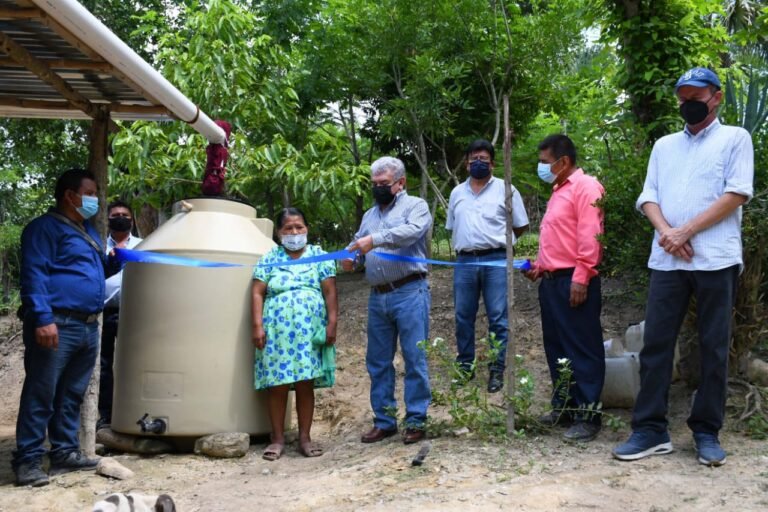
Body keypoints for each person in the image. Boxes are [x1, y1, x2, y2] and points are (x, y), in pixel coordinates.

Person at [613, 67, 754, 466]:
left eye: (697, 96)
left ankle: (707, 431)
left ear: (716, 97)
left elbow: (736, 193)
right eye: (683, 97)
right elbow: (648, 196)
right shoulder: (664, 146)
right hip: (667, 261)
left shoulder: (735, 139)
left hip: (716, 258)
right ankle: (650, 429)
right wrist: (667, 232)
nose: (688, 103)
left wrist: (686, 230)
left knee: (713, 346)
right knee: (656, 343)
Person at [13, 168, 106, 486]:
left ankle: (64, 453)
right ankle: (27, 461)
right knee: (42, 392)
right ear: (70, 195)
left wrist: (119, 260)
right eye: (90, 193)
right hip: (57, 323)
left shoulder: (89, 230)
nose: (95, 199)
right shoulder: (43, 229)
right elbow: (34, 274)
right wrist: (42, 318)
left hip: (87, 326)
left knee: (71, 394)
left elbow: (90, 271)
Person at [343, 156, 432, 445]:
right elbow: (358, 244)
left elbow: (411, 233)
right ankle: (385, 420)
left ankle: (416, 419)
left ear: (400, 183)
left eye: (385, 184)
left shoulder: (415, 206)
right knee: (378, 361)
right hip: (377, 297)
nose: (379, 188)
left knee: (414, 357)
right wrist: (350, 257)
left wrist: (375, 239)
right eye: (375, 184)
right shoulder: (369, 216)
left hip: (409, 292)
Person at [523, 135, 605, 442]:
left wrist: (582, 275)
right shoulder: (558, 191)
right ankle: (566, 406)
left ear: (564, 162)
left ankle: (589, 414)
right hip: (553, 281)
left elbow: (589, 235)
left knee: (582, 348)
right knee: (557, 348)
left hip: (575, 280)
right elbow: (562, 239)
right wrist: (540, 265)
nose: (541, 168)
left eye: (545, 162)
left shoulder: (586, 188)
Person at [252, 207, 338, 461]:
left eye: (299, 227)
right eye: (288, 228)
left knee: (304, 383)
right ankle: (277, 439)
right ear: (279, 232)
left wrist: (332, 322)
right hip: (276, 332)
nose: (294, 232)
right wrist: (257, 325)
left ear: (307, 229)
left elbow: (330, 292)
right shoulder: (269, 258)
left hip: (308, 332)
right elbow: (257, 292)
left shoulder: (319, 256)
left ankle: (305, 438)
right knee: (277, 385)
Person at [446, 139, 529, 393]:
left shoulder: (507, 190)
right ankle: (465, 366)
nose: (477, 163)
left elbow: (521, 225)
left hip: (496, 260)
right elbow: (451, 226)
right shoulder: (457, 193)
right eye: (473, 159)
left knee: (498, 317)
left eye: (483, 158)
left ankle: (496, 370)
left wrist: (502, 244)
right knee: (463, 316)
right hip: (465, 261)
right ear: (466, 164)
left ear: (492, 162)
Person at [97, 200, 142, 430]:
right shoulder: (97, 246)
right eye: (115, 214)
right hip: (103, 313)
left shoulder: (144, 246)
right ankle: (105, 414)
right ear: (108, 218)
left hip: (134, 315)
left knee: (134, 363)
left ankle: (133, 410)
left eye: (125, 214)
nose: (120, 217)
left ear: (132, 219)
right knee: (103, 365)